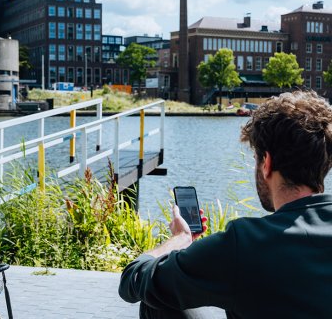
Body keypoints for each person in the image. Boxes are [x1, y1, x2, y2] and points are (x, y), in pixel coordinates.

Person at [119, 90, 332, 319]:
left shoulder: (245, 243)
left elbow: (134, 280)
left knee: (158, 300)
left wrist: (180, 240)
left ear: (266, 163)